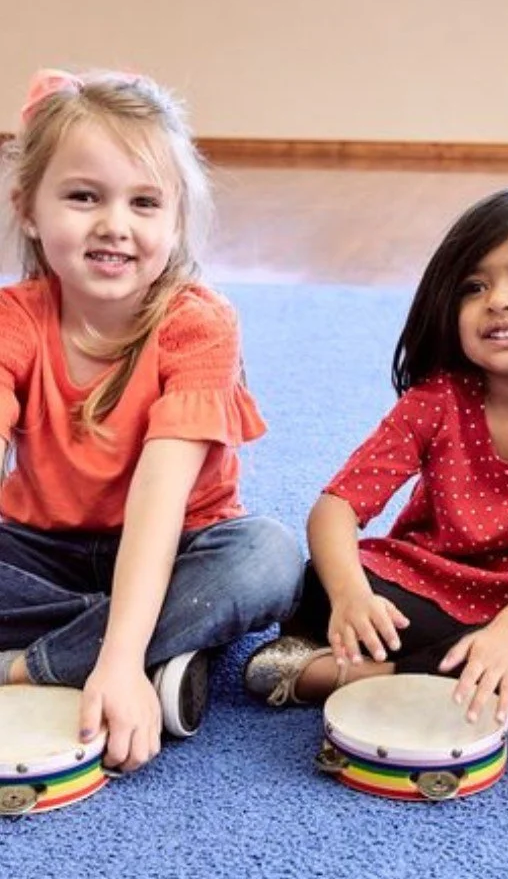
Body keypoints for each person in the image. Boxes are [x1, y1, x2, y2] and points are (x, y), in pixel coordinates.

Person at [245, 187, 508, 738]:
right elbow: (335, 508)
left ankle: (370, 678)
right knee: (319, 581)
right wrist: (350, 596)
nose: (499, 300)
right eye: (474, 287)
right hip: (431, 579)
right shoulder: (438, 397)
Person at [0, 69, 304, 771]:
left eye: (144, 203)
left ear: (176, 220)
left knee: (269, 560)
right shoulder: (14, 319)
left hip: (182, 545)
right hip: (43, 550)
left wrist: (117, 660)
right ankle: (160, 648)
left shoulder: (199, 324)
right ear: (28, 209)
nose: (115, 225)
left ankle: (31, 667)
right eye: (83, 197)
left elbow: (160, 500)